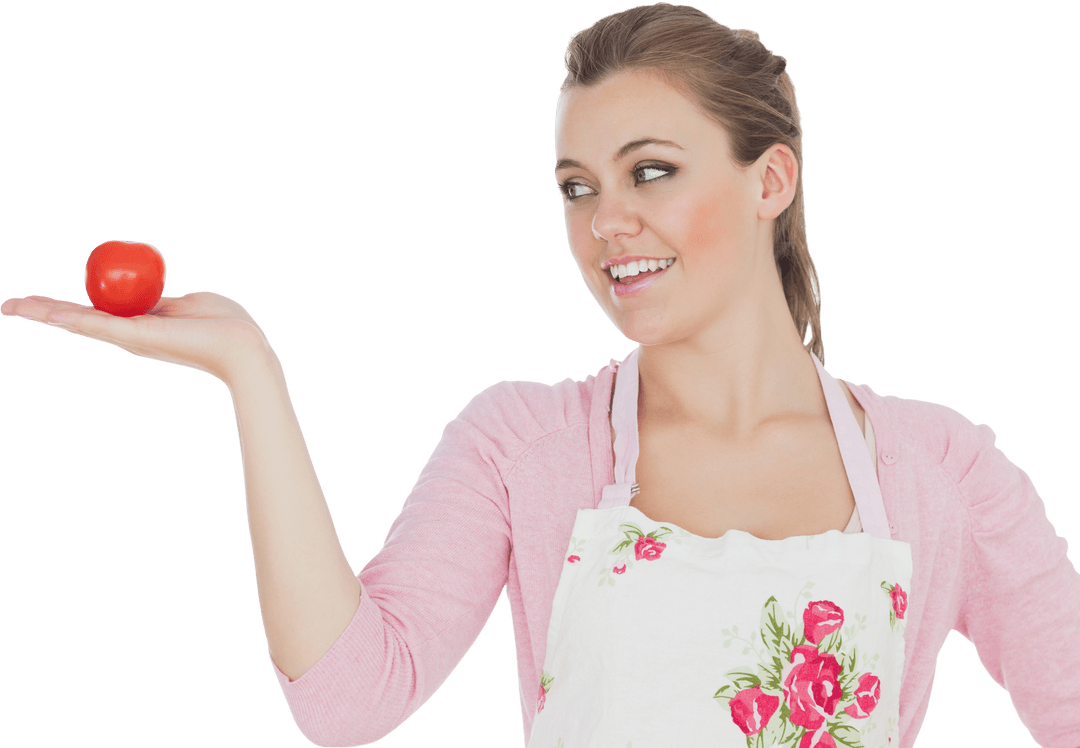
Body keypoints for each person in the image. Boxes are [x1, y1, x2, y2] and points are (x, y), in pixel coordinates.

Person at [2, 3, 1077, 747]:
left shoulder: (943, 470)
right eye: (576, 185)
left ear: (772, 180)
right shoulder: (522, 441)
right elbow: (347, 698)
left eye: (651, 169)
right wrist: (253, 376)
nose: (609, 223)